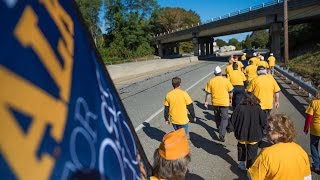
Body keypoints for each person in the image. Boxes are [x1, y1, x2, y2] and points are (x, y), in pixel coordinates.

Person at [248, 114, 311, 180]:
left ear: (281, 133)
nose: (265, 131)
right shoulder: (301, 151)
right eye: (266, 127)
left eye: (269, 128)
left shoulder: (267, 154)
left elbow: (253, 178)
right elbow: (307, 178)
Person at [228, 92, 267, 170]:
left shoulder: (239, 108)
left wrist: (230, 128)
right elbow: (264, 122)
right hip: (254, 134)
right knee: (252, 151)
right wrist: (265, 131)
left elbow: (233, 119)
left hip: (241, 133)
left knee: (241, 147)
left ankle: (242, 163)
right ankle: (250, 167)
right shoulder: (258, 109)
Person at [204, 66, 234, 142]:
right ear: (221, 73)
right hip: (224, 103)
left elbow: (208, 93)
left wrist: (206, 102)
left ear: (214, 73)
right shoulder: (226, 80)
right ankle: (222, 134)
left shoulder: (211, 81)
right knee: (225, 118)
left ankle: (219, 128)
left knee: (217, 117)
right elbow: (231, 92)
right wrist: (231, 100)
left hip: (215, 103)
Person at [304, 90, 320, 173]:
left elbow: (309, 117)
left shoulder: (314, 103)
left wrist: (306, 127)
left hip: (316, 129)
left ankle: (317, 166)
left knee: (314, 145)